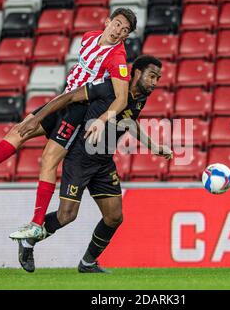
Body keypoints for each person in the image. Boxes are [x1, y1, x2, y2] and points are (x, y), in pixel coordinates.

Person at [0, 8, 137, 238]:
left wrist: (103, 118)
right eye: (117, 24)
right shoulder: (89, 38)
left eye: (125, 30)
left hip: (78, 111)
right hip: (62, 101)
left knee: (48, 159)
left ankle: (37, 223)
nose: (119, 31)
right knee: (19, 130)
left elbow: (122, 98)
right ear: (107, 21)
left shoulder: (117, 59)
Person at [14, 55, 172, 273]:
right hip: (80, 157)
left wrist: (153, 145)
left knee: (114, 217)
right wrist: (37, 118)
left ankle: (88, 263)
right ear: (136, 72)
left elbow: (128, 120)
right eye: (152, 76)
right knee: (66, 215)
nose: (155, 82)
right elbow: (69, 97)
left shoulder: (139, 98)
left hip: (103, 161)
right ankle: (28, 242)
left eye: (158, 78)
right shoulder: (109, 87)